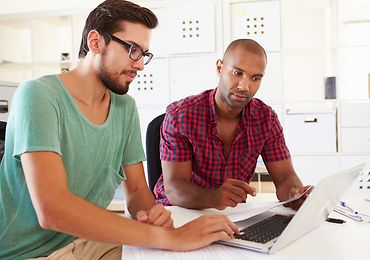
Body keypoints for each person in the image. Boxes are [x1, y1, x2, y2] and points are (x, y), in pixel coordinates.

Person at [0, 1, 239, 259]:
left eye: (144, 54)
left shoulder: (124, 107)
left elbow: (136, 191)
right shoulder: (38, 95)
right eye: (133, 50)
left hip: (89, 240)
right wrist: (168, 237)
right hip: (31, 253)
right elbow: (52, 210)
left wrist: (149, 213)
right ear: (95, 42)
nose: (140, 65)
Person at [154, 39, 311, 210]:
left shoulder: (266, 119)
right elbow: (175, 187)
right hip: (177, 212)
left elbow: (285, 178)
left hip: (230, 216)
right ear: (220, 68)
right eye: (237, 73)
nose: (245, 86)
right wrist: (214, 198)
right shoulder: (181, 116)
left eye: (255, 78)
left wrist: (295, 194)